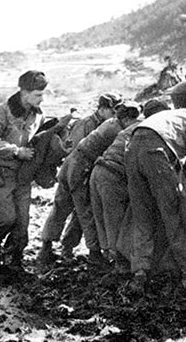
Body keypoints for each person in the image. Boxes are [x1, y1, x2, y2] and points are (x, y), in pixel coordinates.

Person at [125, 98, 186, 293]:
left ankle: (139, 273)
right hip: (155, 154)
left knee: (142, 216)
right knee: (173, 214)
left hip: (132, 151)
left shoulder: (167, 115)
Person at [38, 102, 140, 268]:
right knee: (85, 211)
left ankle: (47, 248)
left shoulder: (110, 123)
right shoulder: (117, 131)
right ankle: (93, 253)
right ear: (127, 118)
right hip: (81, 168)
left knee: (60, 207)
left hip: (71, 164)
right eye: (133, 119)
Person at [0, 70, 49, 277]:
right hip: (3, 173)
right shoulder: (1, 112)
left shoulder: (38, 115)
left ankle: (13, 260)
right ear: (23, 92)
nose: (41, 99)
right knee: (6, 219)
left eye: (43, 94)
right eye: (37, 94)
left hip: (24, 176)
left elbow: (39, 140)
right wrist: (16, 151)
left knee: (22, 223)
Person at [90, 99, 170, 273]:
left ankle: (107, 257)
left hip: (99, 170)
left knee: (103, 218)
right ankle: (120, 264)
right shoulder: (152, 129)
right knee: (118, 220)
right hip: (113, 174)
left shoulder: (135, 126)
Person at [58, 92, 123, 259]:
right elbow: (76, 149)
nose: (115, 115)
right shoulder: (86, 123)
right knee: (67, 208)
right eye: (112, 110)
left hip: (87, 167)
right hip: (77, 167)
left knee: (82, 211)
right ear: (102, 109)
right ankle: (50, 246)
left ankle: (69, 245)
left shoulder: (108, 124)